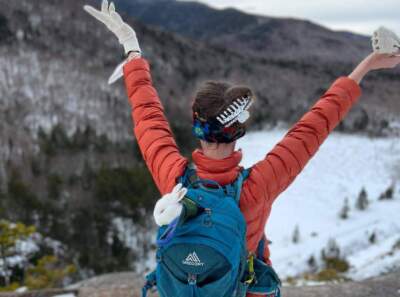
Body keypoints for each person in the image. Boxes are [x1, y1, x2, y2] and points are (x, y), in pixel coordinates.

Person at [84, 1, 400, 296]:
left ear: (197, 126)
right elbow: (315, 125)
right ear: (238, 131)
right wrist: (367, 66)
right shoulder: (258, 187)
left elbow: (147, 115)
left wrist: (132, 50)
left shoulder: (174, 179)